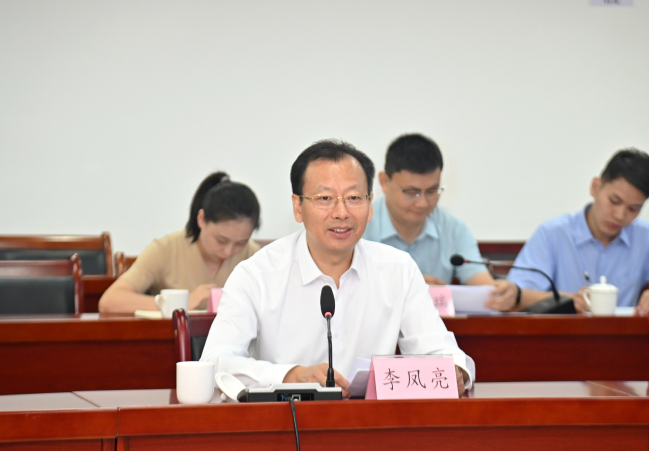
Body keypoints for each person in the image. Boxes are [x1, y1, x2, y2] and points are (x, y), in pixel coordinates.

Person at [200, 140, 474, 397]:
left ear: (370, 205)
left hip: (372, 423)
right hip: (286, 421)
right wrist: (292, 376)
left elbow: (442, 352)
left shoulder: (399, 270)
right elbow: (215, 363)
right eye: (324, 198)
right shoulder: (256, 275)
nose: (341, 213)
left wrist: (456, 371)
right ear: (298, 207)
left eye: (354, 198)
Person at [363, 133, 519, 310]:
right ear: (384, 182)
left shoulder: (453, 229)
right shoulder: (359, 226)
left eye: (432, 191)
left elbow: (483, 288)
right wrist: (408, 288)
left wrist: (503, 293)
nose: (422, 203)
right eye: (411, 192)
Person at [502, 148, 649, 315]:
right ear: (595, 187)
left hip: (623, 331)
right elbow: (515, 296)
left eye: (633, 209)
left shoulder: (644, 238)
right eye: (614, 201)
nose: (620, 215)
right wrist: (567, 300)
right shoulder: (553, 234)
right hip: (562, 330)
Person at [99, 172, 261, 313]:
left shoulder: (253, 256)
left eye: (241, 243)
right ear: (201, 219)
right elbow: (110, 301)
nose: (228, 251)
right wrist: (178, 304)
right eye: (221, 240)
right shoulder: (165, 250)